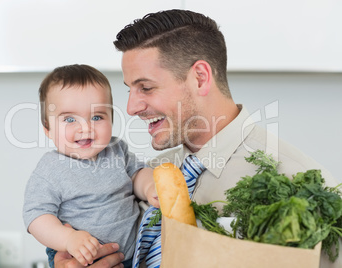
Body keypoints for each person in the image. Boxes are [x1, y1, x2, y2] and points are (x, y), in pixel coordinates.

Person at [53, 9, 342, 268]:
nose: (131, 108)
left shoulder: (301, 184)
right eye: (130, 89)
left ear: (201, 78)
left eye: (146, 87)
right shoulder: (148, 174)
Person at [23, 64, 159, 268]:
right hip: (80, 259)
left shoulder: (116, 149)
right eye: (70, 119)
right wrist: (69, 239)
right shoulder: (50, 169)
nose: (85, 128)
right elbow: (36, 217)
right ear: (48, 130)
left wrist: (150, 187)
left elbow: (137, 174)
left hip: (134, 254)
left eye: (97, 117)